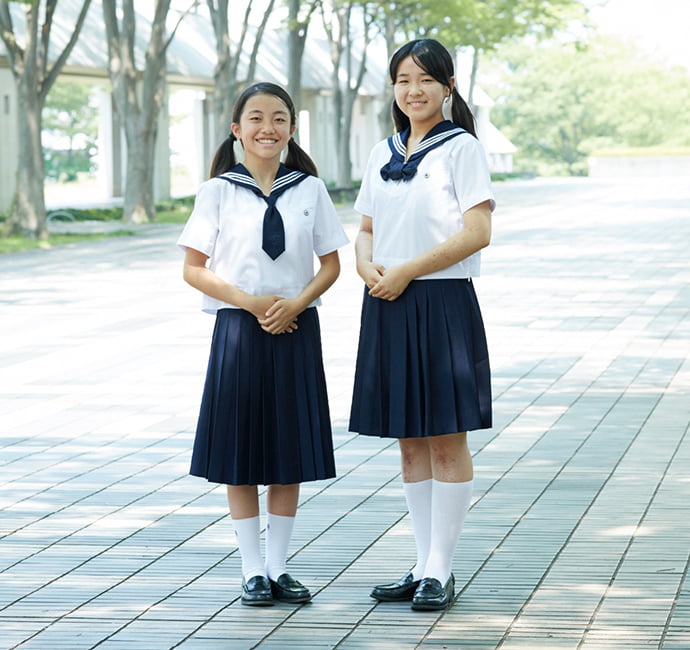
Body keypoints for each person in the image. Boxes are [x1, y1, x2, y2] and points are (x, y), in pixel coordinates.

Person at [178, 82, 348, 607]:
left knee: (288, 451)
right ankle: (251, 569)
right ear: (236, 130)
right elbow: (193, 270)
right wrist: (252, 304)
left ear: (292, 128)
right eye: (255, 118)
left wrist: (294, 305)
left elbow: (332, 265)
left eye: (279, 118)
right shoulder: (217, 192)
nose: (267, 128)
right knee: (242, 450)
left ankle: (278, 568)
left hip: (296, 329)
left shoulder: (310, 189)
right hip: (239, 332)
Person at [349, 39, 495, 611]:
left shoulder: (461, 148)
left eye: (426, 80)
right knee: (408, 441)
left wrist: (407, 268)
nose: (414, 90)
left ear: (447, 88)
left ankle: (442, 568)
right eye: (404, 80)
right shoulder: (381, 150)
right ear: (394, 88)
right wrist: (365, 263)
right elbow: (364, 227)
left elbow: (477, 231)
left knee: (444, 437)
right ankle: (420, 563)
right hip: (387, 301)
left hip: (439, 303)